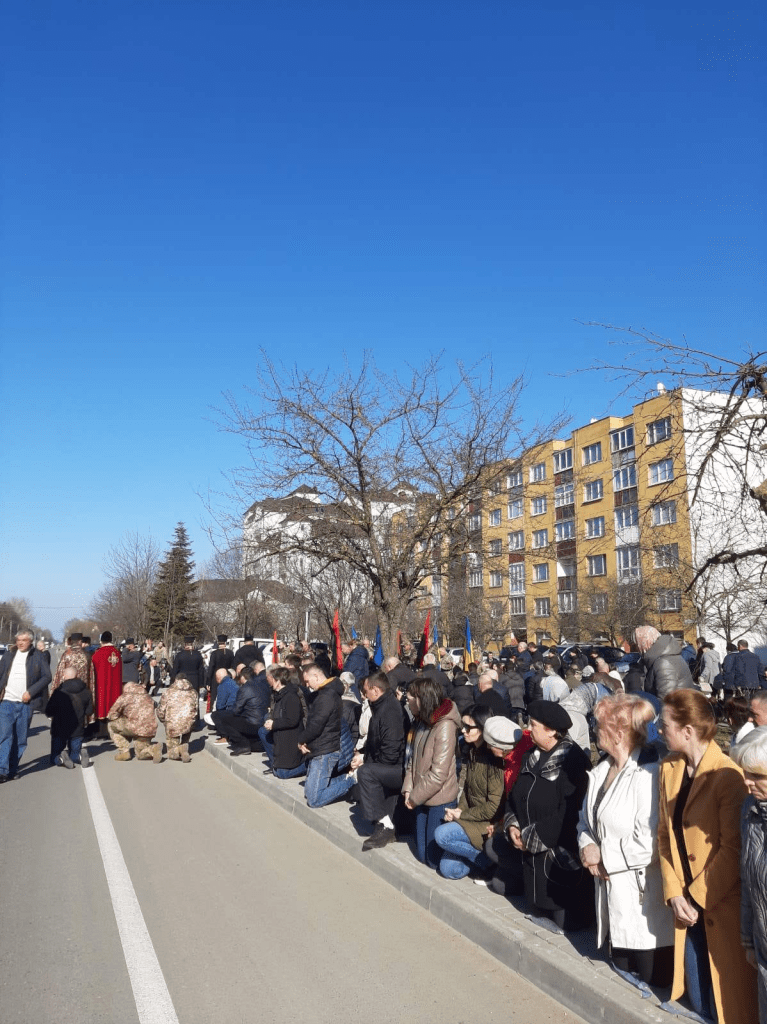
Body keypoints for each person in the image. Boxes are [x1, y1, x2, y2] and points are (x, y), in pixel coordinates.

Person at [657, 688, 757, 1023]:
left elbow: (733, 847)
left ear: (687, 731)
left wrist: (696, 899)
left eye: (665, 724)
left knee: (728, 1004)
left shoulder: (726, 775)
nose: (659, 730)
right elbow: (664, 835)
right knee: (699, 1001)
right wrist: (673, 894)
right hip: (684, 909)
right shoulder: (669, 768)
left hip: (718, 906)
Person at [577, 693, 674, 986]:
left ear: (618, 733)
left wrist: (603, 856)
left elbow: (648, 843)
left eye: (598, 725)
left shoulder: (648, 773)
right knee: (620, 976)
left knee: (649, 982)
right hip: (611, 896)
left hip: (642, 906)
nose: (594, 731)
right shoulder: (601, 770)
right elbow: (585, 820)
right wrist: (587, 845)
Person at [503, 699, 593, 932]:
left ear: (552, 731)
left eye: (533, 725)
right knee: (531, 906)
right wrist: (512, 826)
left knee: (565, 922)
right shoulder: (530, 755)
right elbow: (514, 796)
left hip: (557, 858)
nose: (528, 729)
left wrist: (530, 838)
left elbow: (571, 813)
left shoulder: (572, 761)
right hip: (528, 853)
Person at [432, 704, 504, 881]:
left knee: (441, 835)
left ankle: (488, 861)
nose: (463, 730)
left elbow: (494, 807)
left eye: (468, 727)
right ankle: (481, 860)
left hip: (487, 823)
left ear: (482, 729)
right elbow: (467, 791)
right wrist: (458, 810)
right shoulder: (473, 751)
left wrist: (462, 815)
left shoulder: (494, 760)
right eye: (462, 725)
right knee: (449, 869)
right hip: (470, 817)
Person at [401, 676, 461, 869]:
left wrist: (414, 798)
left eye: (410, 698)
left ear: (421, 700)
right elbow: (413, 760)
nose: (407, 702)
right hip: (420, 795)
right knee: (422, 855)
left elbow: (438, 774)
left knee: (433, 860)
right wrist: (408, 790)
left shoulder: (445, 726)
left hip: (439, 798)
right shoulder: (422, 721)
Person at [731, 729, 767, 1023]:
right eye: (745, 773)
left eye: (756, 776)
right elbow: (748, 879)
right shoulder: (750, 811)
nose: (746, 782)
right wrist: (749, 941)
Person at [350, 672, 406, 851]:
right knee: (363, 784)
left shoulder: (390, 710)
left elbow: (391, 752)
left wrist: (368, 763)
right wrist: (363, 755)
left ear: (375, 690)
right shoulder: (381, 706)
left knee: (366, 774)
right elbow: (376, 740)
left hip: (397, 768)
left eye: (366, 691)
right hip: (385, 763)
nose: (364, 695)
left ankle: (386, 825)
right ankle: (385, 822)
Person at [297, 661, 354, 808]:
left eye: (308, 681)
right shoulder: (325, 693)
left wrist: (301, 740)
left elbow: (316, 724)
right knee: (310, 792)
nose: (308, 685)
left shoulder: (327, 695)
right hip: (320, 747)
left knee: (314, 799)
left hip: (325, 750)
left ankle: (352, 780)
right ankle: (347, 779)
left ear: (316, 676)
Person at [0, 630, 52, 782]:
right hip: (6, 702)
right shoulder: (9, 655)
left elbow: (47, 676)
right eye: (18, 640)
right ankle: (2, 770)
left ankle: (13, 768)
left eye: (24, 640)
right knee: (4, 736)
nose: (20, 643)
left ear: (30, 641)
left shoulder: (38, 656)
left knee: (20, 739)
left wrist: (31, 691)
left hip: (26, 704)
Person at [259, 664, 306, 779]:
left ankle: (308, 765)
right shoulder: (279, 695)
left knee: (282, 773)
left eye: (273, 679)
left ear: (278, 681)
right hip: (281, 737)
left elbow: (292, 720)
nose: (270, 682)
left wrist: (274, 724)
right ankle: (275, 764)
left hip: (291, 738)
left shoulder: (290, 696)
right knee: (278, 770)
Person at [211, 666, 270, 756]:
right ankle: (251, 744)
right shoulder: (262, 685)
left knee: (221, 717)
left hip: (252, 723)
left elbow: (236, 710)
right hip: (263, 721)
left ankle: (242, 745)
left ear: (243, 677)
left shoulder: (245, 688)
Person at [45, 667, 94, 769]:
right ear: (76, 675)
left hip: (59, 728)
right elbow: (89, 711)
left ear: (65, 676)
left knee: (54, 756)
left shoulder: (59, 692)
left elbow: (49, 711)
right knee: (74, 754)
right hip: (78, 729)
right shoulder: (86, 691)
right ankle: (80, 756)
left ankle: (60, 758)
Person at [635, 625, 694, 700]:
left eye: (638, 643)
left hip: (676, 710)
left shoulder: (664, 663)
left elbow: (665, 700)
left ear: (645, 641)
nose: (637, 647)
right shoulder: (665, 656)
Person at [107, 682, 162, 762]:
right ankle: (153, 749)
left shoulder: (124, 697)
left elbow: (112, 715)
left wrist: (121, 717)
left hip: (132, 728)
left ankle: (124, 751)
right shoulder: (147, 697)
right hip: (148, 730)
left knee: (111, 725)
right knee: (140, 754)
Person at [156, 674, 198, 762]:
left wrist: (163, 721)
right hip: (188, 723)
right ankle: (184, 747)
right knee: (187, 729)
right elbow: (196, 710)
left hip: (172, 724)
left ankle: (177, 750)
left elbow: (161, 710)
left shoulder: (168, 692)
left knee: (172, 753)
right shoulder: (193, 692)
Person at [90, 630, 123, 735]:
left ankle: (102, 732)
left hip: (102, 685)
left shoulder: (98, 653)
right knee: (113, 706)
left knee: (102, 706)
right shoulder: (117, 653)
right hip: (115, 686)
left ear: (102, 640)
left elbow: (92, 669)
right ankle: (114, 731)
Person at [206, 634, 234, 706]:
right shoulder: (230, 653)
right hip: (227, 676)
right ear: (225, 642)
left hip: (216, 678)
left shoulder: (214, 653)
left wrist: (208, 682)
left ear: (218, 643)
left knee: (215, 696)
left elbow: (211, 667)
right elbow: (233, 666)